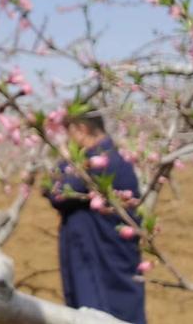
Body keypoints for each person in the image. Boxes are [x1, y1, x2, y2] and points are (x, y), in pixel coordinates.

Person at [44, 110, 146, 324]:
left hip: (99, 261)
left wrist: (66, 160)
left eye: (69, 131)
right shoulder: (107, 157)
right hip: (100, 255)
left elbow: (56, 192)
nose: (68, 139)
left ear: (81, 129)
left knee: (100, 314)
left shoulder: (99, 161)